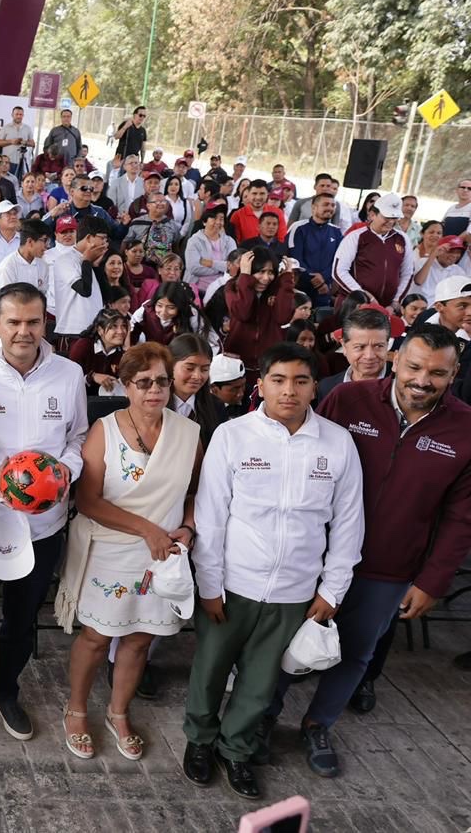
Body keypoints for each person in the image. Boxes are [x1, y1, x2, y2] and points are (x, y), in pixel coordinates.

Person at [263, 326, 471, 776]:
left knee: (356, 651)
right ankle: (262, 717)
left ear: (454, 374)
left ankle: (318, 724)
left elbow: (462, 518)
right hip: (315, 555)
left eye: (437, 373)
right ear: (396, 360)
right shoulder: (348, 400)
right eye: (414, 367)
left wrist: (432, 581)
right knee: (286, 641)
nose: (422, 380)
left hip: (391, 567)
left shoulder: (465, 429)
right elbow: (300, 456)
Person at [183, 342, 364, 800]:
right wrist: (209, 585)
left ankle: (236, 750)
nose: (289, 391)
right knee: (209, 670)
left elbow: (348, 524)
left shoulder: (337, 443)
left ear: (314, 387)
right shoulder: (233, 436)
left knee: (261, 682)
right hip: (232, 585)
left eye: (301, 381)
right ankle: (200, 741)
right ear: (260, 385)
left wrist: (332, 590)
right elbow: (211, 516)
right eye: (278, 380)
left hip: (295, 590)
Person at [0, 282, 86, 751]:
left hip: (44, 526)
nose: (24, 331)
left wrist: (63, 472)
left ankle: (6, 692)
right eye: (14, 322)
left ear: (46, 322)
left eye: (33, 322)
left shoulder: (69, 374)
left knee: (21, 622)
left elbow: (78, 438)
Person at [57, 343, 201, 761]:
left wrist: (188, 529)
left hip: (161, 554)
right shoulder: (105, 430)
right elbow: (88, 501)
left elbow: (197, 493)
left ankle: (118, 712)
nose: (154, 390)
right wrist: (147, 530)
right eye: (144, 382)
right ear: (125, 385)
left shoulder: (188, 433)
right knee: (96, 636)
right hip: (112, 549)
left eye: (162, 382)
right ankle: (76, 710)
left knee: (140, 639)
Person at [224, 249, 297, 384]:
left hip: (270, 366)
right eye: (261, 272)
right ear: (249, 269)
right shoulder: (232, 287)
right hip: (237, 366)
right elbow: (243, 313)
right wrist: (245, 279)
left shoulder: (277, 289)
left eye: (270, 272)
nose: (266, 278)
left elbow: (283, 317)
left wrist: (286, 279)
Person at [332, 193, 414, 308]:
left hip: (387, 307)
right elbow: (339, 271)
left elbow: (408, 273)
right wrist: (364, 296)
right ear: (372, 215)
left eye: (394, 218)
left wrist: (395, 302)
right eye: (387, 217)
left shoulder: (402, 239)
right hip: (355, 305)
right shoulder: (356, 237)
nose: (391, 222)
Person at [50, 217, 111, 351]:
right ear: (88, 238)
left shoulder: (91, 261)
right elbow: (84, 290)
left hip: (95, 331)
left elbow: (107, 295)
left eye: (106, 239)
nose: (105, 243)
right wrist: (87, 261)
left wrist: (96, 265)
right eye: (102, 238)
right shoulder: (65, 260)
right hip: (72, 332)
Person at [315, 308, 391, 400]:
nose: (369, 356)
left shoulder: (401, 385)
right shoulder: (327, 388)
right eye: (360, 347)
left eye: (378, 346)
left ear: (387, 345)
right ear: (344, 347)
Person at [68, 308, 129, 396]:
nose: (121, 331)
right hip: (82, 398)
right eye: (114, 326)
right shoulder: (83, 346)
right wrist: (92, 377)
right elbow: (69, 379)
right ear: (100, 330)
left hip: (111, 401)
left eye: (123, 326)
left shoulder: (122, 353)